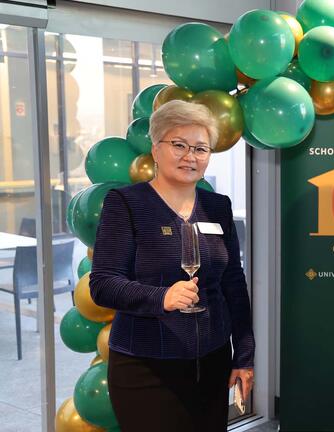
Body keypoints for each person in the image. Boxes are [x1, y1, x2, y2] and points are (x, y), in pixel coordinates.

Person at [90, 100, 255, 431]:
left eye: (200, 148)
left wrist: (244, 357)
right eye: (178, 145)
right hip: (145, 367)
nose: (190, 156)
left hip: (212, 362)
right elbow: (103, 284)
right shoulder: (126, 204)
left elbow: (233, 285)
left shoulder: (218, 207)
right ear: (155, 149)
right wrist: (160, 298)